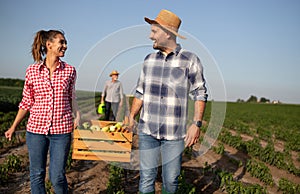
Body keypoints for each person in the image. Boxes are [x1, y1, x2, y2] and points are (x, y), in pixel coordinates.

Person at [128, 10, 208, 194]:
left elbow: (200, 93)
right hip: (148, 130)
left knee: (171, 181)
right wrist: (132, 116)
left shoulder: (190, 60)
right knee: (146, 179)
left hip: (174, 134)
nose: (150, 36)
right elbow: (140, 92)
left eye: (154, 31)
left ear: (167, 33)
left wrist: (196, 124)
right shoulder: (149, 60)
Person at [4, 30, 80, 194]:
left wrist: (77, 115)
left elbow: (71, 96)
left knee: (57, 176)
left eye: (65, 42)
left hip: (61, 130)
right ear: (49, 44)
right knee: (37, 174)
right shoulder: (32, 70)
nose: (65, 46)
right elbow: (26, 101)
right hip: (36, 130)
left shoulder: (70, 71)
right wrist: (14, 126)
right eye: (62, 42)